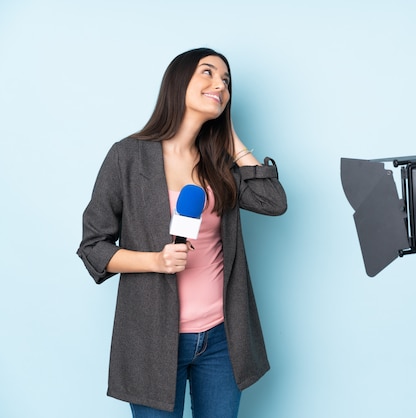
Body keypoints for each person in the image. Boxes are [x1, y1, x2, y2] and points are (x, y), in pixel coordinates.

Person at [77, 47, 287, 417]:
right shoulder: (128, 156)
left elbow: (273, 202)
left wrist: (232, 140)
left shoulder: (219, 163)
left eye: (225, 81)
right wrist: (156, 261)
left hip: (222, 337)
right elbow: (93, 246)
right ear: (178, 82)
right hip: (152, 339)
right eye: (207, 73)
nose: (219, 84)